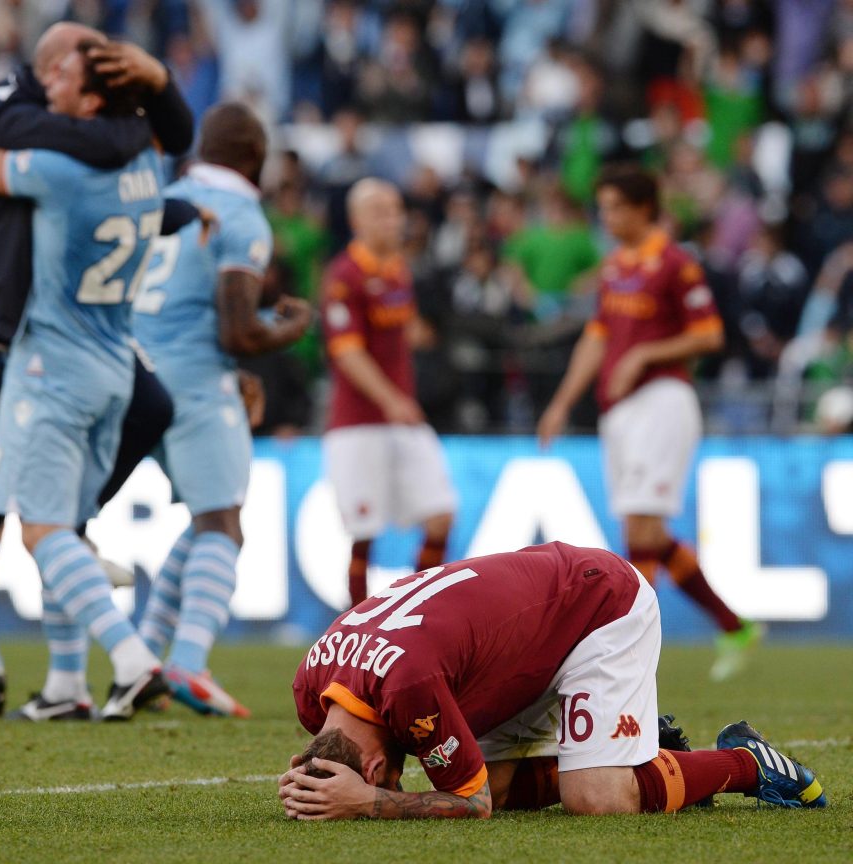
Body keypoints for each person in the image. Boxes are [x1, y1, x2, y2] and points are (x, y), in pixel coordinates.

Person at [0, 25, 195, 670]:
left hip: (56, 335)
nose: (81, 66)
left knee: (145, 414)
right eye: (68, 62)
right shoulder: (98, 145)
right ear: (49, 68)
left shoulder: (68, 155)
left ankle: (74, 540)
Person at [280, 542, 827, 819]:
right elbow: (478, 792)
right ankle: (643, 756)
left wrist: (371, 803)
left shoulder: (407, 689)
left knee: (598, 799)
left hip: (595, 604)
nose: (386, 781)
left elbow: (472, 808)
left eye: (382, 778)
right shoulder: (314, 686)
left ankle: (749, 763)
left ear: (373, 768)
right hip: (515, 643)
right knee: (498, 787)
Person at [536, 165, 762, 682]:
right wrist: (562, 401)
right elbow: (596, 339)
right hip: (621, 412)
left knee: (641, 527)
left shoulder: (676, 264)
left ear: (643, 208)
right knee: (646, 532)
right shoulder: (615, 267)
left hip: (663, 400)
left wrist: (644, 354)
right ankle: (733, 625)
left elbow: (708, 334)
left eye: (614, 206)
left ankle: (632, 653)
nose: (606, 216)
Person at [133, 103, 312, 717]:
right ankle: (188, 662)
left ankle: (144, 664)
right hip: (193, 381)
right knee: (224, 524)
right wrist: (290, 328)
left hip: (131, 374)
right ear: (256, 160)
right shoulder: (239, 213)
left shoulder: (162, 196)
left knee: (205, 522)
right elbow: (237, 330)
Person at [320, 178, 457, 608]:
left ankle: (414, 613)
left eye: (396, 209)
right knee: (363, 533)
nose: (392, 219)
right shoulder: (344, 275)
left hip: (403, 418)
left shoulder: (398, 269)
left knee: (441, 515)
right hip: (359, 422)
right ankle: (357, 628)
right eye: (381, 210)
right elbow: (347, 352)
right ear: (356, 220)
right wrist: (391, 398)